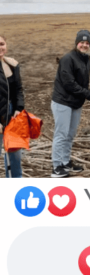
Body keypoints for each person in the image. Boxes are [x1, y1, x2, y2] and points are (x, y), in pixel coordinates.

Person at [51, 29, 90, 178]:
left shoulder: (85, 59)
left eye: (87, 43)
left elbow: (82, 81)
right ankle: (56, 167)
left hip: (76, 102)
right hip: (62, 102)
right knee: (61, 134)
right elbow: (69, 83)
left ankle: (65, 161)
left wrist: (87, 93)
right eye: (82, 42)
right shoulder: (68, 59)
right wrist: (88, 94)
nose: (84, 45)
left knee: (70, 134)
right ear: (77, 43)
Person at [0, 33, 25, 177]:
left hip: (12, 114)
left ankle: (15, 185)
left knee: (14, 153)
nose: (0, 47)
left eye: (2, 44)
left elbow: (19, 90)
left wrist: (18, 109)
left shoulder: (13, 65)